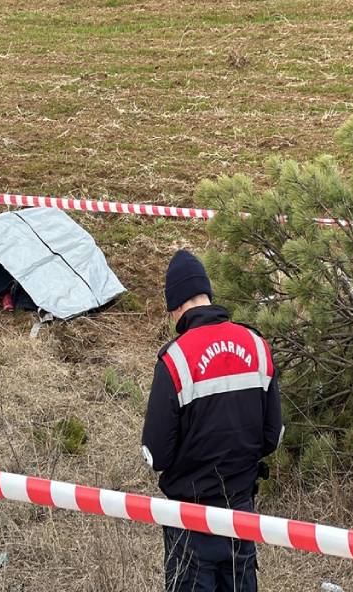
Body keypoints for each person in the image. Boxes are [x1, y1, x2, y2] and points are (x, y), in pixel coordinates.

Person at [142, 249, 283, 592]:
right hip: (241, 514)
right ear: (207, 294)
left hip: (189, 521)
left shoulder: (175, 359)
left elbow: (155, 454)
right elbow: (272, 438)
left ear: (175, 306)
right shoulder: (257, 346)